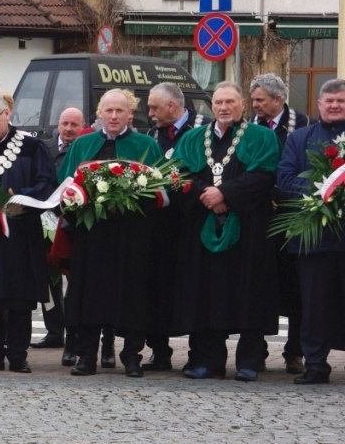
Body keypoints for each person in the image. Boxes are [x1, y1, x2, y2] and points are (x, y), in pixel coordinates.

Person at [171, 81, 281, 382]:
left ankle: (249, 360)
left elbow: (265, 174)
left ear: (242, 104)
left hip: (248, 230)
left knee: (249, 292)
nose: (223, 107)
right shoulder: (193, 138)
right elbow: (177, 174)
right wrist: (205, 194)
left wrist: (226, 195)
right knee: (206, 293)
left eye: (230, 102)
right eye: (218, 102)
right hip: (202, 228)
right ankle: (208, 361)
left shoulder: (262, 137)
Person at [57, 89, 164, 377]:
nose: (114, 116)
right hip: (92, 236)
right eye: (108, 110)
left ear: (130, 114)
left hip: (132, 236)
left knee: (132, 294)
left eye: (120, 111)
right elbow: (65, 184)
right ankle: (86, 355)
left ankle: (132, 356)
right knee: (89, 294)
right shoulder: (83, 145)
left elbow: (160, 190)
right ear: (99, 114)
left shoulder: (146, 145)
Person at [0, 90, 57, 373]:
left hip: (20, 231)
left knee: (19, 296)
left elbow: (46, 183)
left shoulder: (32, 147)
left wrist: (19, 194)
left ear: (7, 114)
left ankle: (18, 355)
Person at [277, 78, 345, 385]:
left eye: (340, 101)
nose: (334, 106)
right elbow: (285, 180)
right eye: (328, 101)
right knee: (313, 307)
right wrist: (324, 190)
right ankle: (316, 364)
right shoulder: (299, 138)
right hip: (313, 239)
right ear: (318, 105)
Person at [141, 83, 211, 372]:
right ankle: (160, 350)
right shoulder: (151, 135)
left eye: (154, 108)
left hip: (192, 223)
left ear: (172, 106)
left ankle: (198, 353)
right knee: (155, 289)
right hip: (159, 228)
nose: (149, 113)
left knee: (194, 290)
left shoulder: (202, 131)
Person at [251, 73, 311, 375]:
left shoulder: (303, 125)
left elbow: (304, 167)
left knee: (295, 287)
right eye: (253, 100)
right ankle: (257, 351)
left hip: (293, 219)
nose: (255, 105)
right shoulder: (250, 127)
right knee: (261, 286)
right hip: (261, 217)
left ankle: (294, 353)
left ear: (278, 100)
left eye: (260, 100)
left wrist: (283, 194)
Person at [31, 107, 83, 365]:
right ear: (57, 124)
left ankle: (72, 330)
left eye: (75, 124)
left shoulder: (82, 148)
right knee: (49, 279)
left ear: (82, 126)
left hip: (69, 221)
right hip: (43, 219)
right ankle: (54, 331)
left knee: (72, 280)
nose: (69, 128)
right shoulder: (44, 147)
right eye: (65, 123)